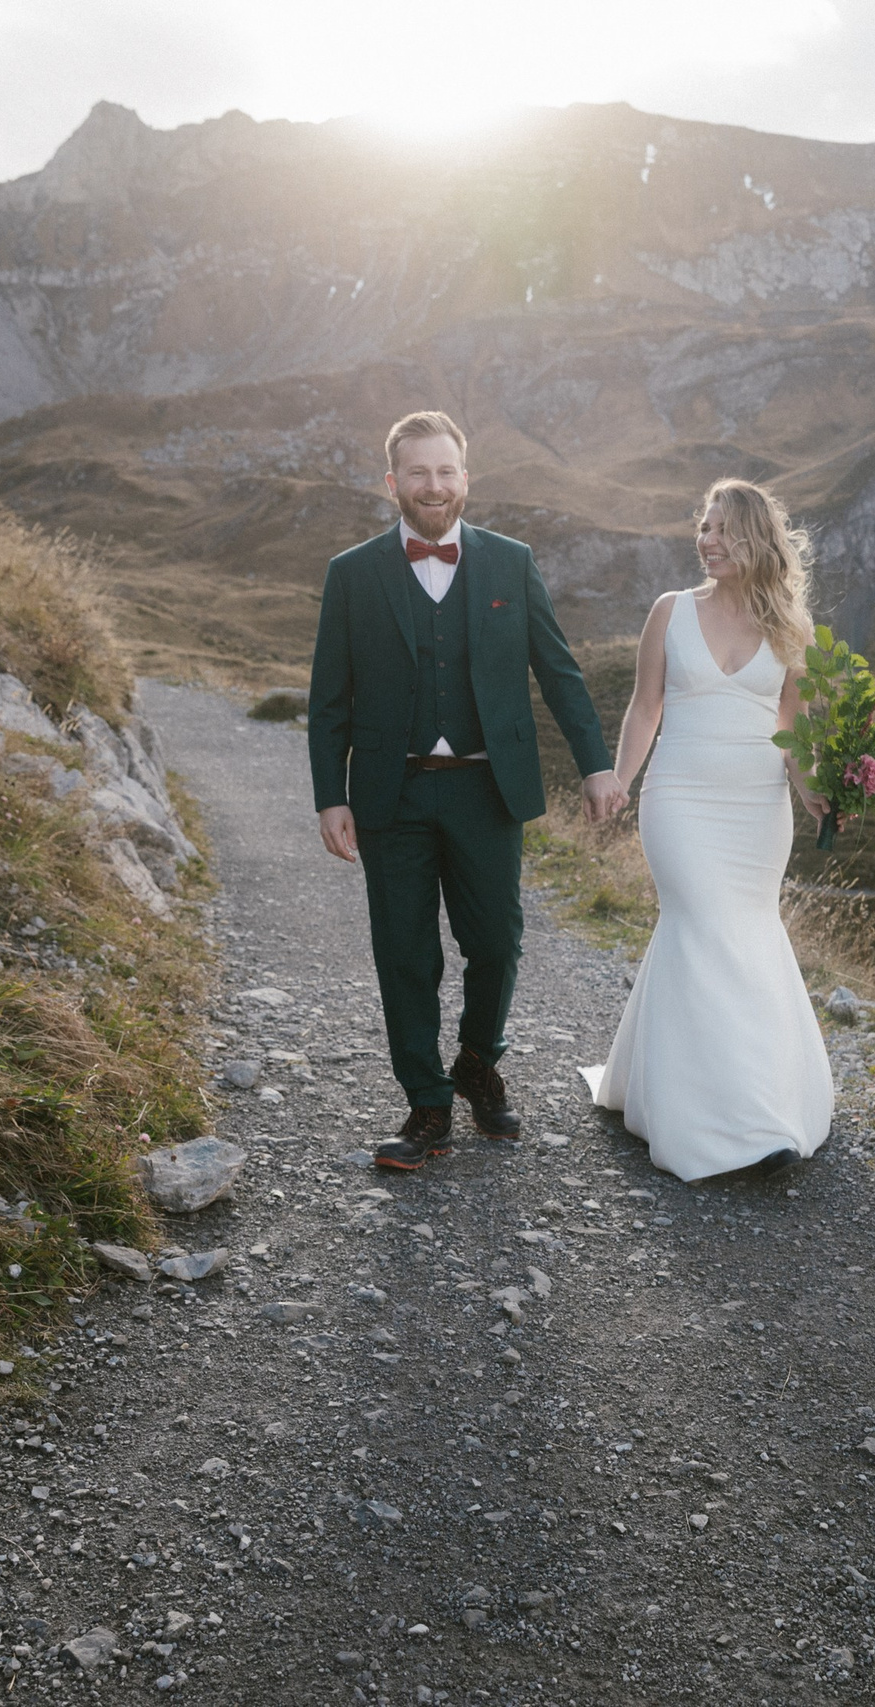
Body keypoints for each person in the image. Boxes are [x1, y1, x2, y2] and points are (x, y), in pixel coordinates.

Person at [308, 411, 626, 1172]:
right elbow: (328, 699)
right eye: (418, 472)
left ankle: (478, 1059)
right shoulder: (351, 573)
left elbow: (559, 670)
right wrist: (330, 794)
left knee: (497, 944)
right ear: (393, 483)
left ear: (466, 477)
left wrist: (597, 763)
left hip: (488, 788)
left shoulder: (511, 563)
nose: (433, 486)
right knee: (405, 953)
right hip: (393, 794)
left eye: (446, 471)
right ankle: (426, 1103)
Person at [585, 478, 835, 1179]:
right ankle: (729, 1119)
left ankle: (756, 1104)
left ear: (757, 538)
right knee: (700, 925)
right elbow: (644, 708)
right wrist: (621, 779)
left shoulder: (791, 630)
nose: (708, 539)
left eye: (723, 528)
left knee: (745, 930)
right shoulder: (670, 611)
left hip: (757, 810)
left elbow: (793, 728)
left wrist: (814, 793)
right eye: (704, 526)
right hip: (680, 800)